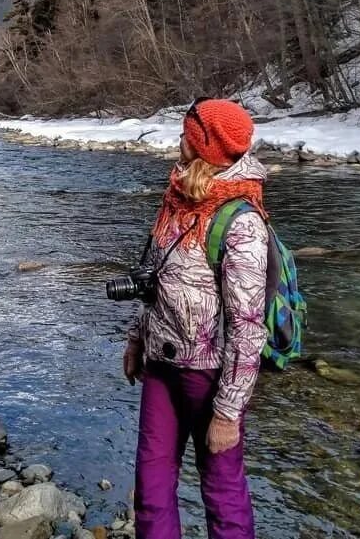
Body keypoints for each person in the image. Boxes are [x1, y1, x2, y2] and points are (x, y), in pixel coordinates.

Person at [123, 98, 269, 539]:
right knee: (150, 488)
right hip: (161, 366)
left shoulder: (242, 222)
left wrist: (228, 412)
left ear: (204, 144)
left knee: (221, 492)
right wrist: (136, 339)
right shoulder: (178, 197)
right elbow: (156, 279)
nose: (180, 139)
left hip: (210, 377)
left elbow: (248, 327)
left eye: (188, 133)